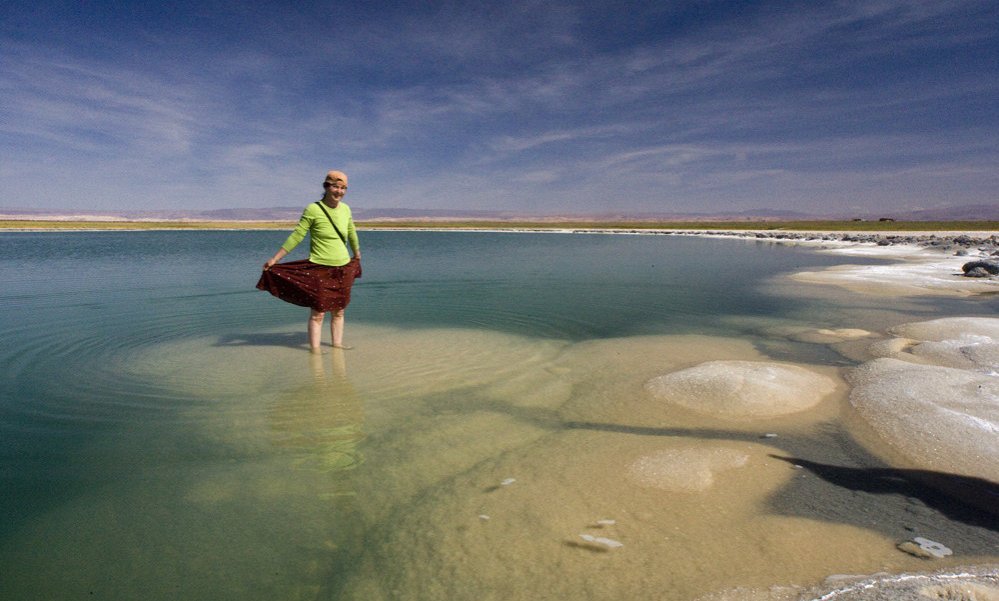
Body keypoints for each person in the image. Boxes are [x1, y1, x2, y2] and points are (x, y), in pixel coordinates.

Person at [257, 170, 361, 352]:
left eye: (344, 188)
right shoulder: (313, 209)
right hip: (320, 268)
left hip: (343, 267)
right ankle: (315, 352)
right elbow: (297, 236)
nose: (340, 191)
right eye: (336, 186)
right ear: (326, 186)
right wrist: (275, 258)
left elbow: (351, 232)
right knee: (318, 313)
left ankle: (337, 345)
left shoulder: (346, 209)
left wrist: (357, 253)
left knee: (339, 310)